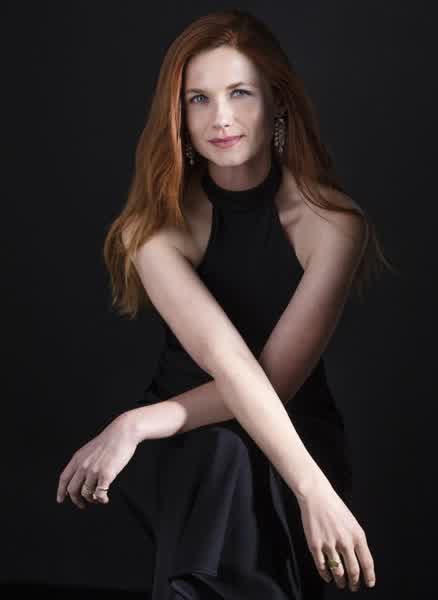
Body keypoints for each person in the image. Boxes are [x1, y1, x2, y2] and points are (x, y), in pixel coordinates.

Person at [56, 9, 392, 599]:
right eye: (199, 99)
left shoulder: (333, 225)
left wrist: (134, 423)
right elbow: (225, 360)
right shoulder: (153, 230)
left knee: (238, 455)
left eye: (241, 93)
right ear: (179, 116)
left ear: (277, 102)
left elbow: (272, 383)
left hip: (292, 425)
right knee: (220, 452)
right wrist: (145, 425)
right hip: (187, 432)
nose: (221, 118)